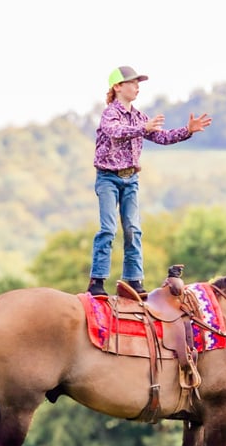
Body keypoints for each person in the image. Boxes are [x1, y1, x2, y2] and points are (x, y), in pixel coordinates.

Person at [87, 65, 212, 298]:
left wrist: (188, 130)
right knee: (108, 229)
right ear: (117, 87)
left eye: (138, 83)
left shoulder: (138, 116)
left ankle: (134, 280)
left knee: (133, 229)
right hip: (108, 178)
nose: (137, 87)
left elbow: (161, 137)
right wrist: (142, 128)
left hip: (130, 178)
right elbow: (114, 130)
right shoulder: (110, 113)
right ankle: (97, 281)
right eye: (132, 83)